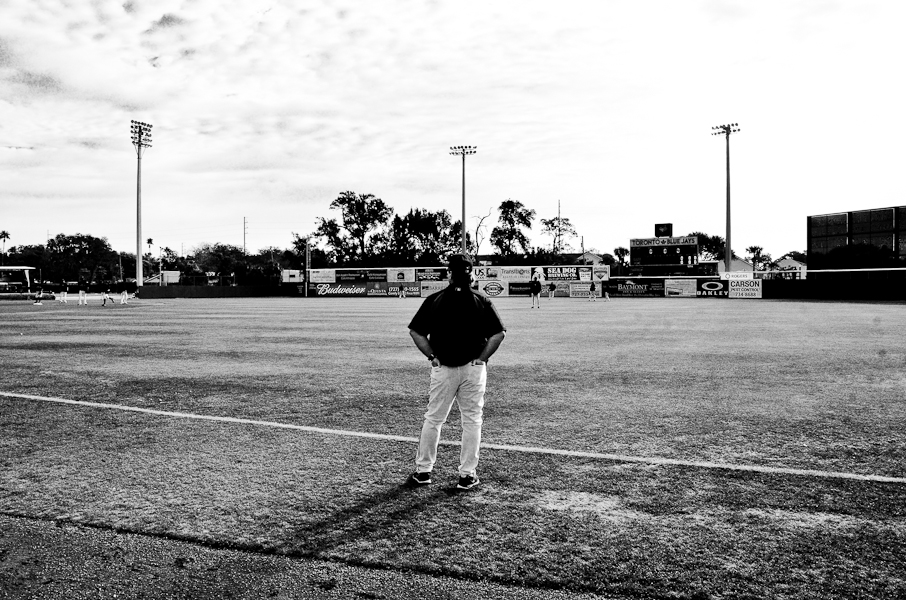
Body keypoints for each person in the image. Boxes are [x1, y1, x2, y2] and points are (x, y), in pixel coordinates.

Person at [407, 254, 506, 491]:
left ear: (449, 273)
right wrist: (482, 360)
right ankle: (467, 475)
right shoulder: (481, 300)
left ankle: (423, 472)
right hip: (473, 368)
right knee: (472, 421)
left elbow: (416, 332)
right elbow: (498, 334)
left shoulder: (435, 299)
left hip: (444, 368)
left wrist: (432, 357)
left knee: (434, 419)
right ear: (471, 274)